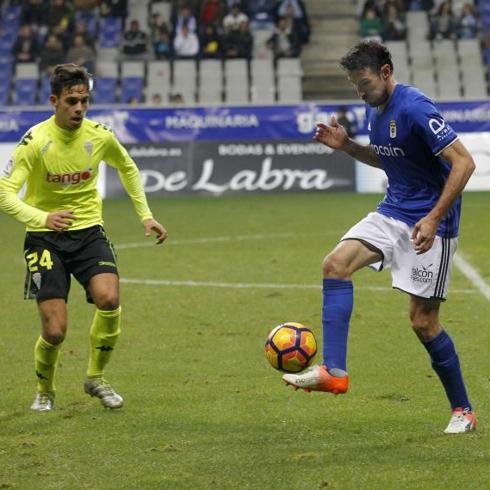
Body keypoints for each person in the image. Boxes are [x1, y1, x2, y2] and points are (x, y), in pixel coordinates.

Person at [282, 41, 476, 434]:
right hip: (392, 212)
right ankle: (334, 372)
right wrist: (347, 146)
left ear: (386, 72)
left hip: (430, 223)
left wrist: (434, 217)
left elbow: (464, 162)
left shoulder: (415, 106)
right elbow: (388, 156)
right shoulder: (375, 109)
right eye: (354, 85)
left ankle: (463, 410)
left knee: (422, 322)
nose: (360, 91)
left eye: (364, 82)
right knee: (335, 264)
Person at [0, 64, 167, 412]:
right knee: (56, 331)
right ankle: (45, 390)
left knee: (109, 298)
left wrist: (146, 215)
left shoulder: (100, 136)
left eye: (84, 101)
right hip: (45, 239)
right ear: (54, 101)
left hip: (89, 232)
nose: (79, 108)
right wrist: (44, 217)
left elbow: (128, 168)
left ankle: (96, 378)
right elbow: (5, 194)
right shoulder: (35, 142)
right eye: (72, 101)